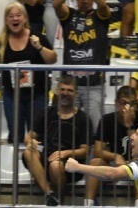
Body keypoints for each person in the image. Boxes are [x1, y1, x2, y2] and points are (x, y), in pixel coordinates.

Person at [0, 1, 57, 142]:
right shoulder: (2, 40)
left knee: (36, 134)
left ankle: (34, 162)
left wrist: (40, 48)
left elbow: (52, 59)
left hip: (37, 95)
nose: (15, 19)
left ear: (25, 18)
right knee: (15, 133)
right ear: (6, 20)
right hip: (12, 96)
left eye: (18, 15)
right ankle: (14, 163)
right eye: (11, 16)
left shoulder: (35, 37)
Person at [23, 76, 93, 206]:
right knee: (28, 152)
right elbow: (29, 136)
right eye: (62, 89)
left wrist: (65, 153)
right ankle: (50, 194)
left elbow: (85, 151)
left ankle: (60, 202)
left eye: (70, 90)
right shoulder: (45, 113)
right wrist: (30, 142)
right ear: (56, 91)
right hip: (46, 156)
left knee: (55, 165)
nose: (65, 93)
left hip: (71, 164)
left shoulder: (83, 119)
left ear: (76, 94)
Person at [85, 86, 138, 206]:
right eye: (123, 103)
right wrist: (114, 156)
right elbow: (98, 150)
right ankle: (88, 204)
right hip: (114, 165)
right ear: (116, 103)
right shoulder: (107, 120)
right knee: (95, 162)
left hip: (136, 163)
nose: (126, 107)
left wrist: (129, 124)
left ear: (136, 105)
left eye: (131, 104)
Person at [54, 0, 112, 130]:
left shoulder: (100, 15)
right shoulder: (69, 15)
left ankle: (94, 151)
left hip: (94, 84)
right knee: (65, 126)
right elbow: (56, 5)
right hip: (70, 85)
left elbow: (103, 6)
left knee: (96, 127)